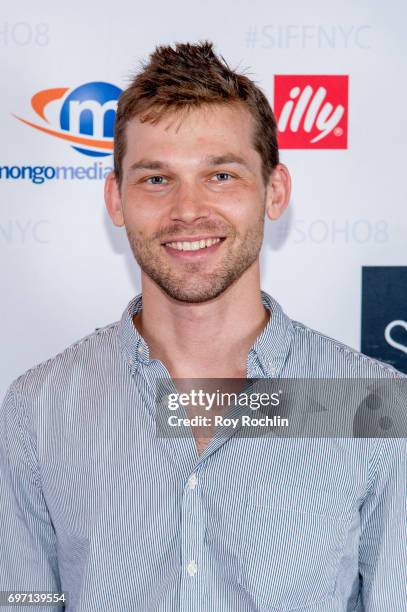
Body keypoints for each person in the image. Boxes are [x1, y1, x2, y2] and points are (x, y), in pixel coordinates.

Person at [0, 41, 405, 612]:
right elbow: (24, 598)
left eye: (220, 175)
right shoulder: (39, 408)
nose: (188, 210)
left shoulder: (369, 403)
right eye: (156, 179)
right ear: (116, 199)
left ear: (275, 190)